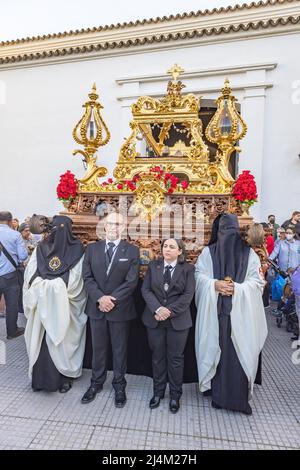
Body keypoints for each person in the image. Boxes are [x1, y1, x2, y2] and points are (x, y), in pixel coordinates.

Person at [195, 214, 268, 415]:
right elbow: (199, 276)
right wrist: (213, 285)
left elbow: (257, 283)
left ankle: (238, 398)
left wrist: (238, 289)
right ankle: (216, 394)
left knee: (238, 355)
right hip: (215, 313)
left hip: (239, 315)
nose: (227, 236)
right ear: (217, 232)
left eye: (231, 232)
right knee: (215, 350)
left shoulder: (249, 254)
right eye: (223, 231)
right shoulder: (208, 252)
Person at [81, 212, 140, 407]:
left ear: (124, 228)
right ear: (104, 227)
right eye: (110, 224)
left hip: (120, 308)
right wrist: (100, 298)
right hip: (96, 307)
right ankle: (96, 383)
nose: (114, 227)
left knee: (119, 349)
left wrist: (111, 300)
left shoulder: (132, 251)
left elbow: (131, 282)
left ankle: (119, 385)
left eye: (118, 224)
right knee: (98, 348)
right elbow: (87, 278)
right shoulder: (91, 249)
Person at [23, 215, 87, 393]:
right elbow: (31, 272)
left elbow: (76, 279)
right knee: (43, 342)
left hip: (64, 305)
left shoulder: (76, 249)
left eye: (62, 228)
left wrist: (55, 288)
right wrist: (42, 286)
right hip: (42, 303)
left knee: (63, 341)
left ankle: (65, 376)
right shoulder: (41, 247)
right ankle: (40, 379)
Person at [141, 239, 195, 414]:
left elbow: (188, 295)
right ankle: (158, 393)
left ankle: (175, 395)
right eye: (165, 246)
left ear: (180, 251)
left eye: (172, 247)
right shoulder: (153, 266)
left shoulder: (188, 269)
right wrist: (157, 308)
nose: (167, 249)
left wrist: (168, 311)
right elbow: (146, 290)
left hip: (177, 321)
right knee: (157, 357)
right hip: (154, 318)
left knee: (175, 359)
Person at [0, 211, 28, 339]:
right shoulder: (15, 235)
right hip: (10, 275)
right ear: (11, 221)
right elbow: (23, 256)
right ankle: (12, 332)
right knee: (12, 304)